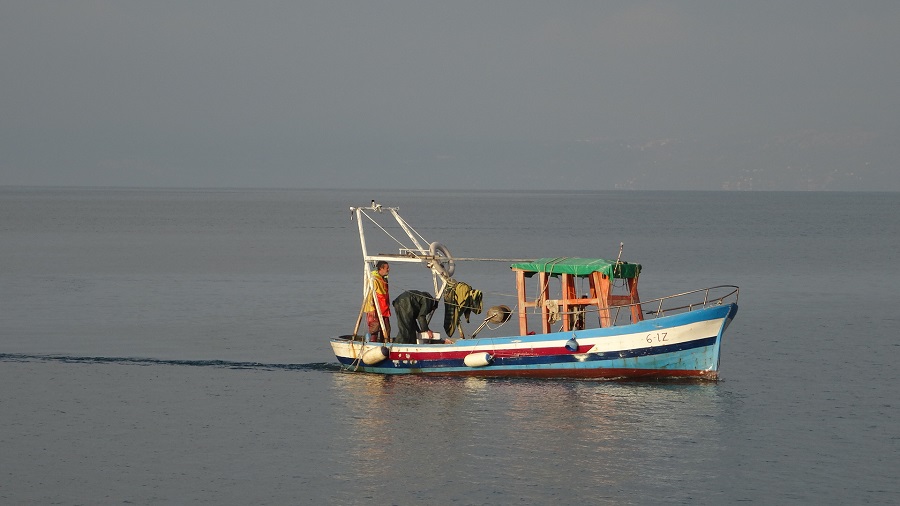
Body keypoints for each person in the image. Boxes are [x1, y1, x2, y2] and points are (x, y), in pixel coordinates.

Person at [363, 261, 391, 342]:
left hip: (384, 308)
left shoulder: (384, 279)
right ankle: (373, 344)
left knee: (386, 328)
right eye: (387, 268)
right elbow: (369, 295)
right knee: (375, 329)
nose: (388, 270)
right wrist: (371, 308)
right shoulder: (374, 279)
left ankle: (385, 344)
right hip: (375, 308)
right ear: (381, 268)